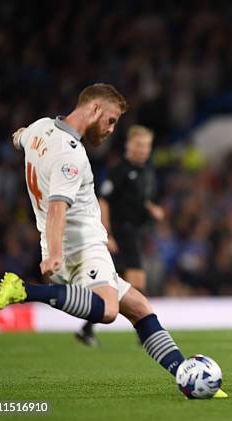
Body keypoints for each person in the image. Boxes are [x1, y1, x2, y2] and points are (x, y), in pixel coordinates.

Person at [0, 83, 226, 398]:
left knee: (140, 309)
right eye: (112, 120)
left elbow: (19, 137)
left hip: (64, 247)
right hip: (82, 248)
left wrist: (20, 137)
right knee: (107, 310)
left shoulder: (41, 127)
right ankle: (25, 290)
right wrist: (56, 253)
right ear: (94, 110)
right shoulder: (70, 156)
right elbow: (58, 206)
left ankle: (186, 374)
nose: (112, 129)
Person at [75, 125, 164, 347]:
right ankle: (144, 333)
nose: (143, 150)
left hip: (134, 231)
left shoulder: (146, 172)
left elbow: (138, 200)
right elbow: (103, 201)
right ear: (129, 146)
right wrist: (107, 233)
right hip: (120, 231)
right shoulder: (119, 171)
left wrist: (152, 209)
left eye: (147, 146)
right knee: (135, 280)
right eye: (139, 145)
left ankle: (87, 328)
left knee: (115, 285)